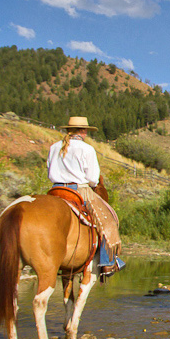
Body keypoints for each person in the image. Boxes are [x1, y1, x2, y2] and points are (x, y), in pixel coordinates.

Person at [47, 116, 124, 278]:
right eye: (86, 131)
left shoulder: (54, 147)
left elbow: (49, 171)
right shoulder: (87, 149)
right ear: (83, 131)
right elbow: (93, 179)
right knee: (108, 218)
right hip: (79, 190)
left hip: (55, 190)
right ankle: (108, 262)